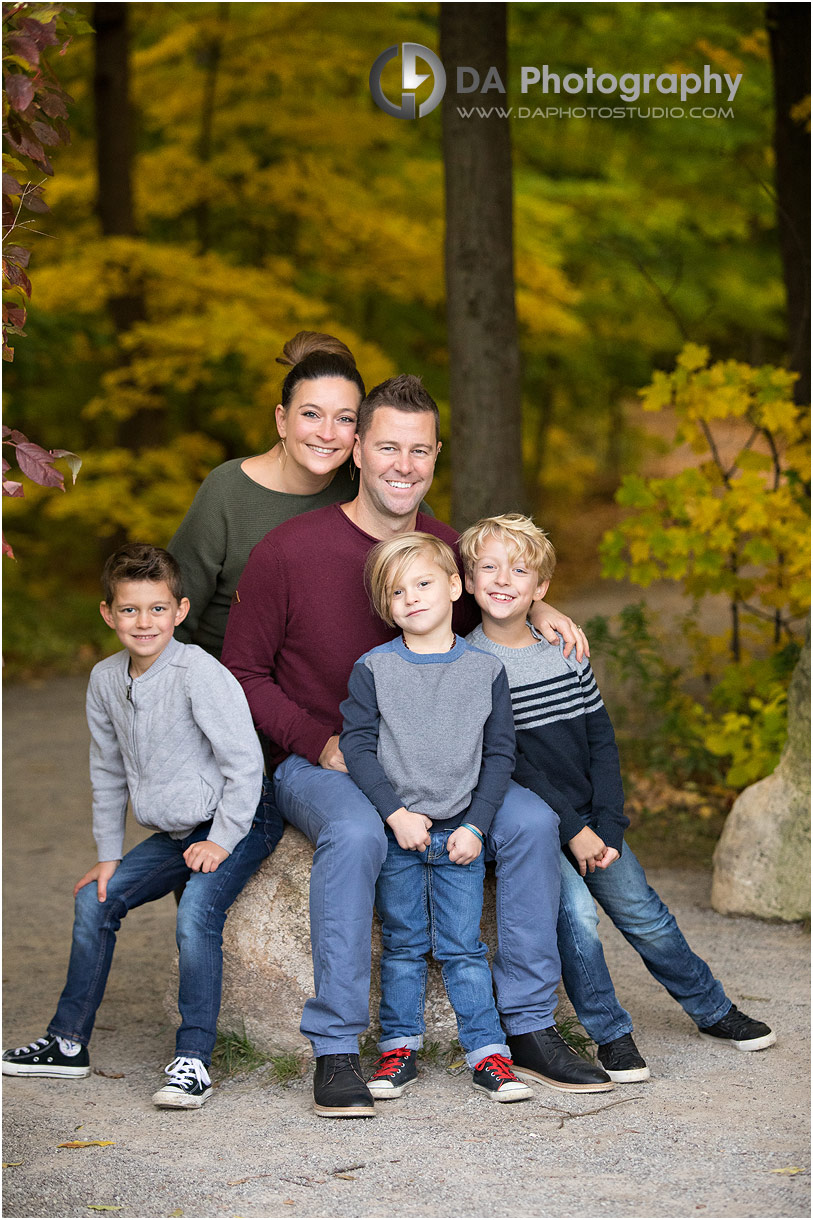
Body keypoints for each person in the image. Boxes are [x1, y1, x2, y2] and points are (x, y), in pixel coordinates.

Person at [222, 374, 612, 1118]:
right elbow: (239, 671)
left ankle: (527, 1025)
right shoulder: (288, 550)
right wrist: (317, 740)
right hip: (325, 759)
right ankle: (337, 1045)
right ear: (358, 452)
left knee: (530, 822)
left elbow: (503, 579)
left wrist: (542, 604)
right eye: (388, 447)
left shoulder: (442, 546)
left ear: (435, 458)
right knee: (355, 829)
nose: (404, 464)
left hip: (446, 763)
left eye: (421, 451)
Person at [459, 512, 777, 1083]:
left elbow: (601, 739)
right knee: (577, 917)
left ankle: (712, 1009)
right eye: (488, 567)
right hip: (544, 827)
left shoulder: (563, 650)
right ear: (469, 578)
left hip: (595, 821)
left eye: (519, 570)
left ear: (541, 589)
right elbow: (512, 766)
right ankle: (611, 1035)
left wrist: (607, 821)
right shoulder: (472, 664)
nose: (503, 579)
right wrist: (572, 828)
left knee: (645, 915)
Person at [2, 544, 273, 1109]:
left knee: (198, 912)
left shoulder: (200, 672)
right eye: (130, 610)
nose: (143, 622)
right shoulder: (104, 680)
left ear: (180, 610)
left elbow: (245, 764)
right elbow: (106, 770)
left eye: (156, 609)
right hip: (175, 833)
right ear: (108, 613)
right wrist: (108, 854)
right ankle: (67, 1041)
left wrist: (220, 841)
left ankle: (194, 1060)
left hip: (237, 819)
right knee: (94, 900)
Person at [340, 533, 532, 1104]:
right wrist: (394, 815)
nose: (412, 598)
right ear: (385, 606)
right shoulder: (373, 669)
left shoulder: (485, 669)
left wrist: (477, 825)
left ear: (454, 586)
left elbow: (499, 755)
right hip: (400, 832)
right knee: (402, 944)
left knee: (462, 945)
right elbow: (357, 746)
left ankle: (488, 1053)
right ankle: (399, 1049)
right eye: (397, 592)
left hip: (459, 835)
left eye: (423, 584)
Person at [167, 330, 365, 660]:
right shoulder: (227, 491)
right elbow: (171, 614)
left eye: (345, 418)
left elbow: (434, 554)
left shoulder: (367, 488)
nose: (327, 433)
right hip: (224, 686)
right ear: (282, 420)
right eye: (311, 414)